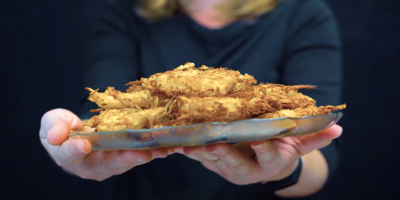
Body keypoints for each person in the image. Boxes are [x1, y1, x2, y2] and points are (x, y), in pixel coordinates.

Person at [39, 0, 343, 199]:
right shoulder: (123, 13)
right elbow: (99, 114)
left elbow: (319, 150)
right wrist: (72, 146)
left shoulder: (304, 14)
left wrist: (283, 169)